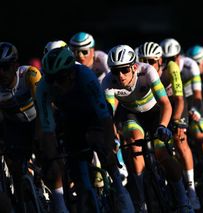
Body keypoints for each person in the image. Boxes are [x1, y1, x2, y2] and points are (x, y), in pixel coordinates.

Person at [36, 46, 134, 213]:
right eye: (52, 79)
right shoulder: (44, 87)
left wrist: (110, 146)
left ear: (71, 73)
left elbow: (104, 116)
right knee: (77, 169)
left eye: (60, 79)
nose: (56, 85)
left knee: (101, 145)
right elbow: (47, 128)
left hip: (94, 114)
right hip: (71, 119)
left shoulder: (86, 76)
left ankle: (119, 188)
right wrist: (50, 157)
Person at [102, 44, 193, 212]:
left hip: (155, 113)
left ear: (134, 67)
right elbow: (108, 116)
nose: (120, 76)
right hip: (132, 116)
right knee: (134, 145)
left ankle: (183, 199)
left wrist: (163, 126)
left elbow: (166, 104)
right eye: (116, 71)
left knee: (162, 153)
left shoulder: (147, 71)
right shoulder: (108, 81)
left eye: (124, 70)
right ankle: (141, 203)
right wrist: (112, 138)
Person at [137, 41, 201, 210]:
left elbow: (179, 99)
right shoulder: (140, 73)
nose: (146, 64)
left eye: (151, 61)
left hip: (176, 107)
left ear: (160, 61)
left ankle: (191, 190)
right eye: (143, 60)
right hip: (157, 109)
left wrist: (176, 121)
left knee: (180, 140)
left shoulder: (171, 67)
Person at [160, 38, 203, 202]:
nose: (171, 62)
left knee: (200, 137)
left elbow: (198, 95)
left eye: (174, 58)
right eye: (167, 59)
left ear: (179, 55)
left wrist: (195, 109)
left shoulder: (190, 65)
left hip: (192, 102)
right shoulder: (162, 68)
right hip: (173, 103)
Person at [0, 42, 43, 212]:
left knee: (45, 153)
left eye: (5, 67)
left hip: (36, 120)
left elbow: (43, 107)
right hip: (13, 126)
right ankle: (21, 203)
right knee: (14, 165)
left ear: (15, 65)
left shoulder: (30, 74)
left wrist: (40, 136)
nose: (1, 72)